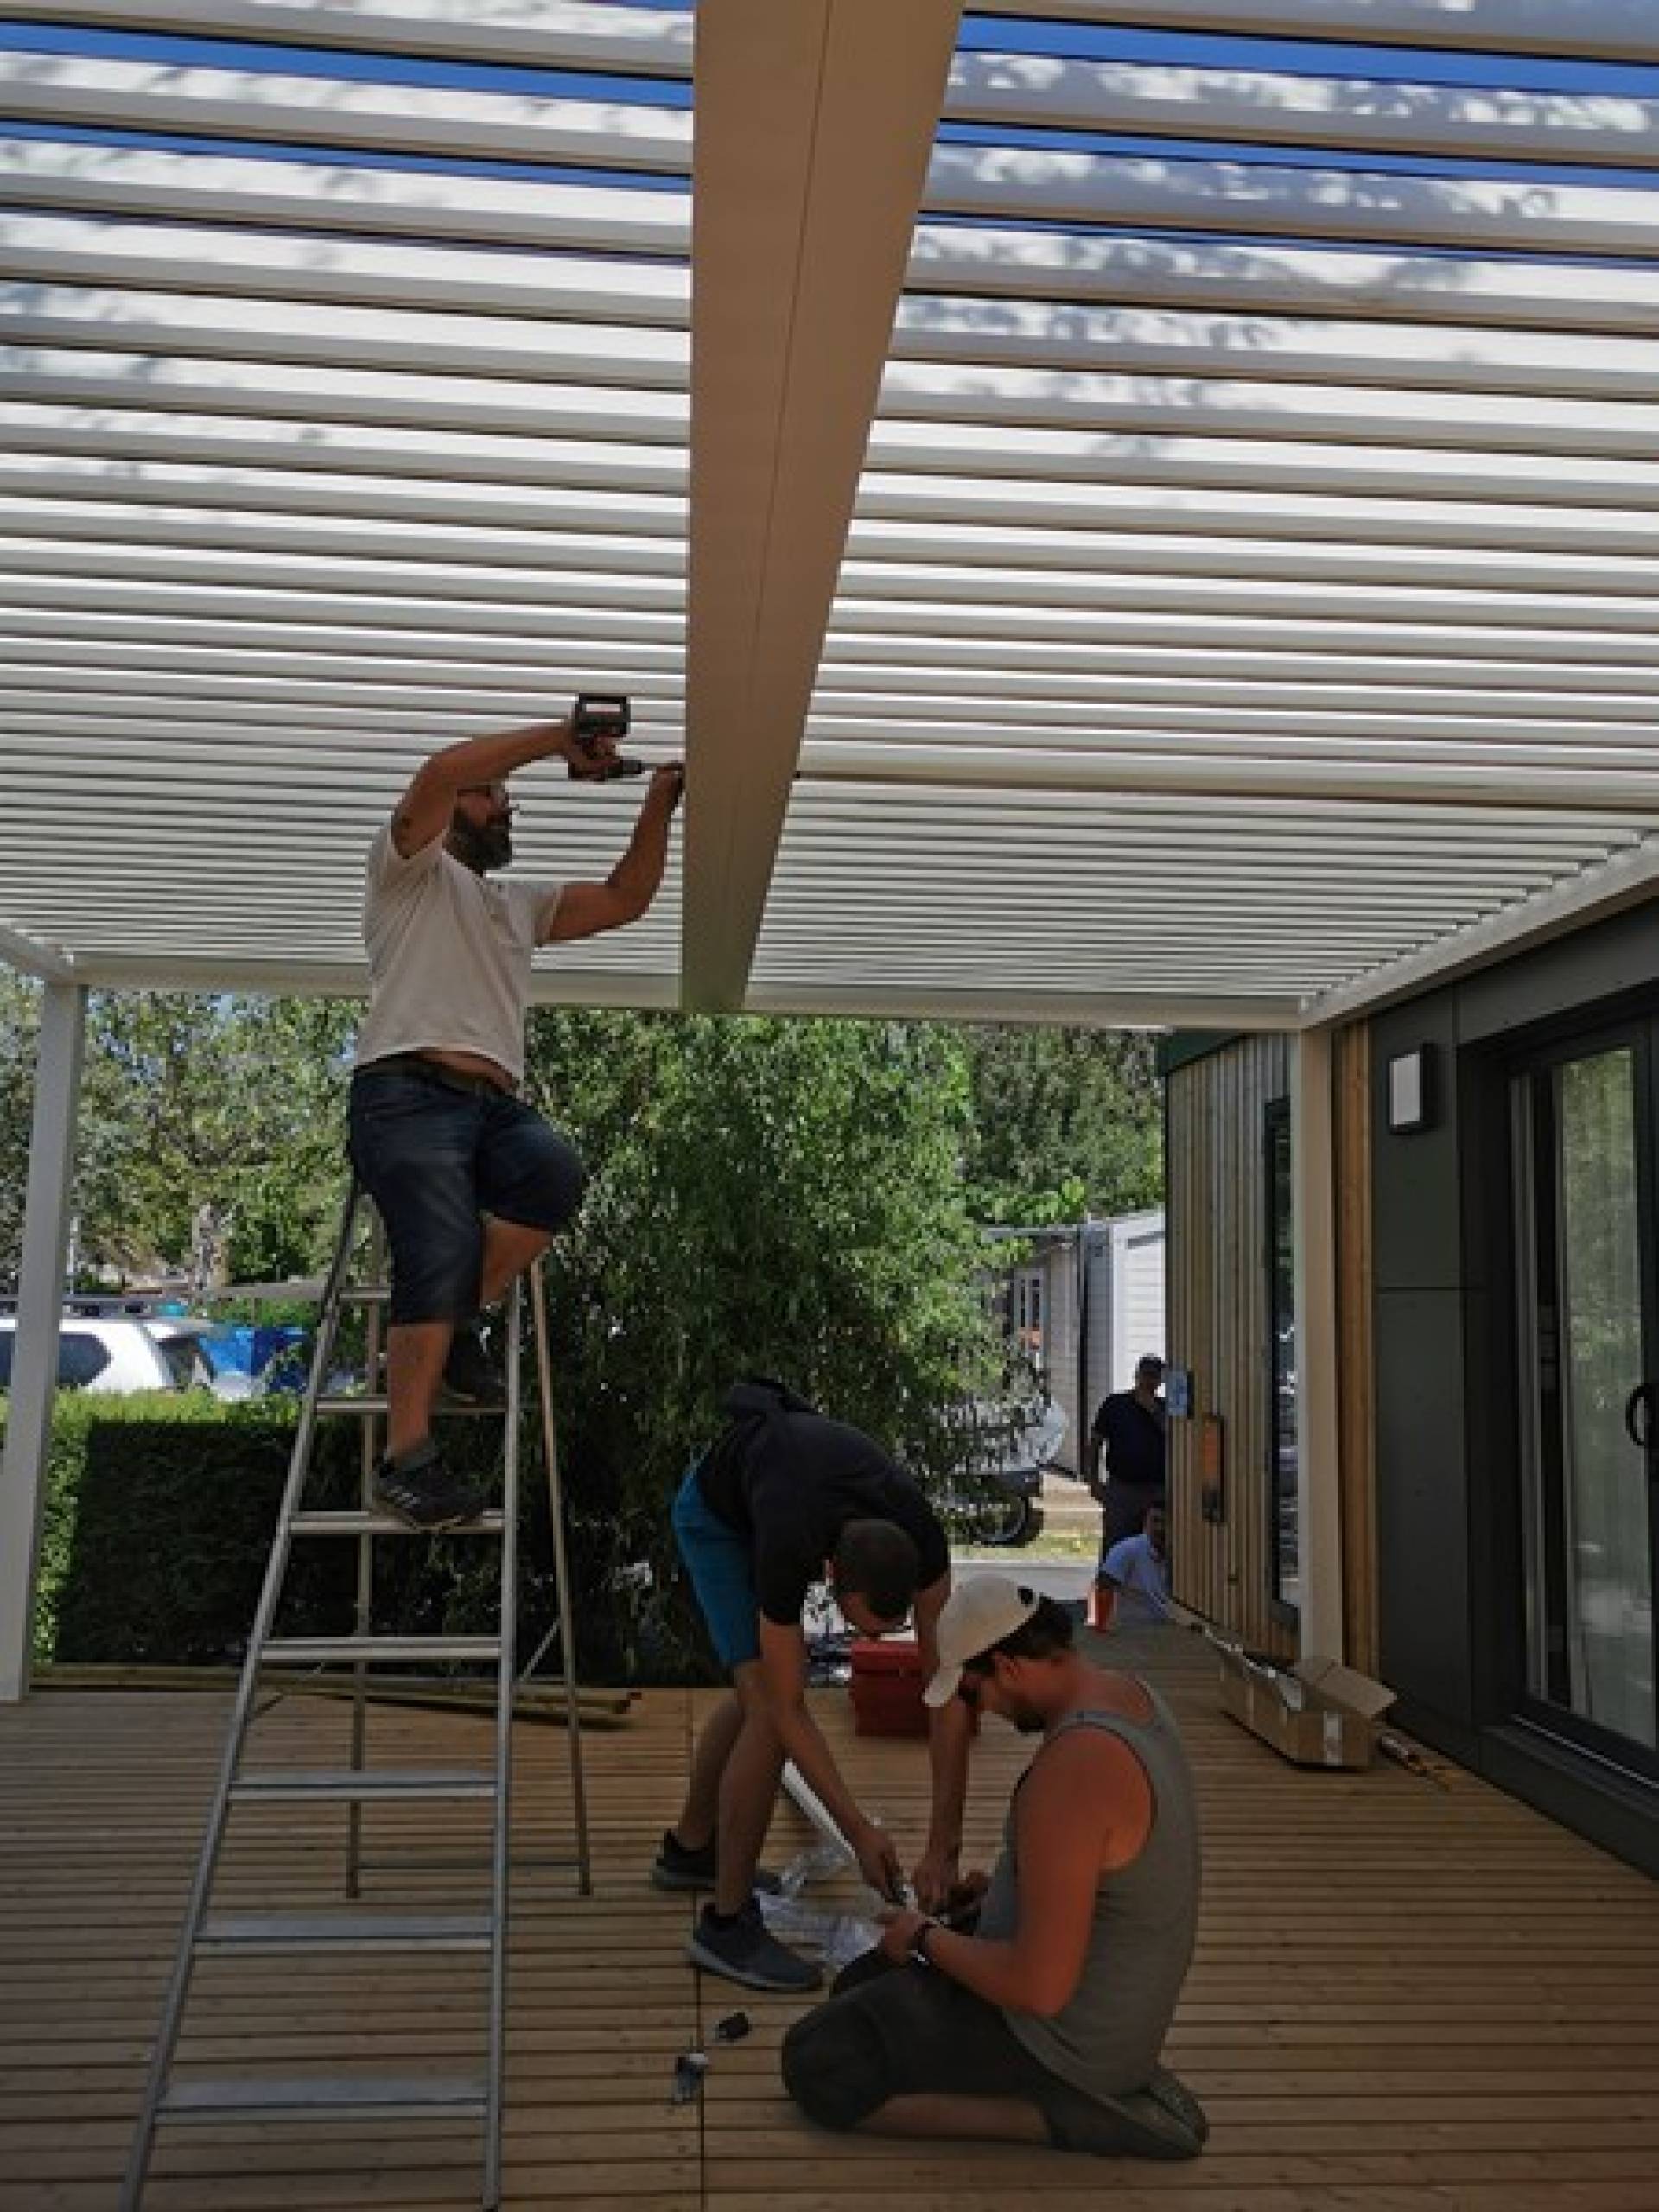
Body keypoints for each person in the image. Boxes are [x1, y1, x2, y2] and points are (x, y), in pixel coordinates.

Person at [347, 708, 683, 1531]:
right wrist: (555, 743)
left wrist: (661, 801)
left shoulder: (515, 905)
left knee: (553, 1175)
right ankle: (406, 1460)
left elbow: (624, 899)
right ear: (459, 803)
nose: (507, 809)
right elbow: (435, 773)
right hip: (405, 1093)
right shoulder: (407, 873)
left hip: (490, 1105)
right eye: (494, 796)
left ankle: (459, 1325)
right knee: (439, 1246)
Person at [780, 1580, 1206, 2161]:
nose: (986, 1712)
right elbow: (1106, 1883)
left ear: (1005, 1665)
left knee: (819, 2064)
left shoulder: (1077, 1765)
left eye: (975, 1695)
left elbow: (1037, 1988)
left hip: (1065, 2048)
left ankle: (1064, 2116)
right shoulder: (1134, 1699)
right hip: (1112, 2026)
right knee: (861, 1984)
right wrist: (996, 1898)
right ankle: (1083, 2094)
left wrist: (927, 1935)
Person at [656, 1378, 973, 1994]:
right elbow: (787, 1708)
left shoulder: (923, 1538)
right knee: (767, 1713)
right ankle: (724, 1926)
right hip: (719, 1518)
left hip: (781, 1487)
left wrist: (944, 1845)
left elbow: (945, 1690)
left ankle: (691, 1851)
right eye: (863, 1628)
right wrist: (857, 1829)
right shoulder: (787, 1542)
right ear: (831, 1576)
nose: (872, 1645)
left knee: (758, 1698)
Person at [1087, 1354, 1166, 1557]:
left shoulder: (1166, 1409)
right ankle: (1107, 1588)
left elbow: (1175, 1439)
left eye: (1155, 1376)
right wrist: (1094, 1481)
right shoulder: (1115, 1404)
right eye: (1146, 1374)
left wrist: (1154, 1412)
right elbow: (1095, 1443)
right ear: (1137, 1375)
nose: (1149, 1380)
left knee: (1154, 1549)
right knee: (1116, 1547)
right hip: (1123, 1489)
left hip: (1156, 1490)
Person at [1096, 1502, 1172, 1630]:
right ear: (1145, 1522)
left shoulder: (1181, 1553)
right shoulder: (1127, 1549)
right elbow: (1104, 1585)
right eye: (1155, 1521)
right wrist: (1101, 1627)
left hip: (1168, 1626)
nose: (1160, 1528)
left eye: (1166, 1523)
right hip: (1132, 1629)